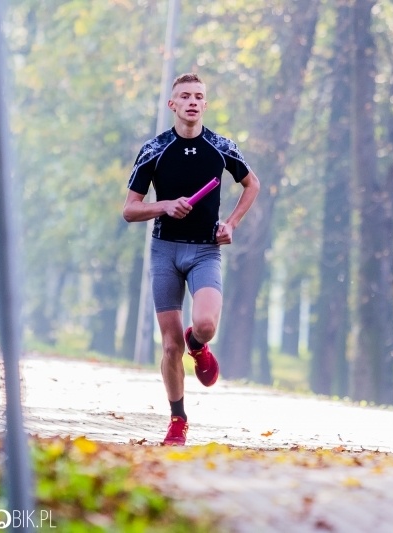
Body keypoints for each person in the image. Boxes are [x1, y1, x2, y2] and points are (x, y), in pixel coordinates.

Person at [123, 72, 260, 446]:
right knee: (170, 346)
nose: (193, 102)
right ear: (173, 105)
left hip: (204, 251)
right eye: (185, 96)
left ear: (205, 103)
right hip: (165, 250)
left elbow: (252, 184)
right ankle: (178, 420)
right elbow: (129, 210)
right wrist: (165, 205)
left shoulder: (221, 147)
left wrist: (230, 223)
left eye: (199, 96)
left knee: (204, 324)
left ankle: (198, 345)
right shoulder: (154, 150)